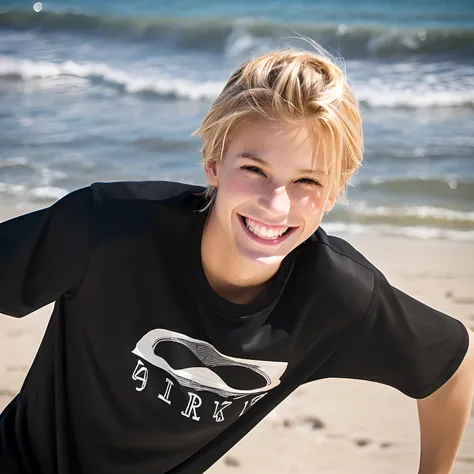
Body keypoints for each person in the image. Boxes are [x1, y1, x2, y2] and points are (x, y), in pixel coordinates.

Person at [0, 44, 473, 474]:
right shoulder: (106, 230)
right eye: (255, 169)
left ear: (333, 193)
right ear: (213, 162)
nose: (276, 205)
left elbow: (450, 365)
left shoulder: (336, 295)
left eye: (307, 181)